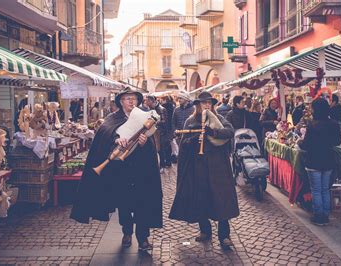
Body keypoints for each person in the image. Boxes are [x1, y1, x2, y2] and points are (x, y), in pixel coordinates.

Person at [70, 87, 162, 251]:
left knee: (142, 202)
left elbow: (153, 142)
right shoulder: (113, 118)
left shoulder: (144, 117)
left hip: (141, 168)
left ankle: (143, 238)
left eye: (134, 98)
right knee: (124, 203)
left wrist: (144, 142)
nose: (131, 101)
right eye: (127, 99)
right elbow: (105, 135)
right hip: (122, 169)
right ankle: (127, 232)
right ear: (121, 101)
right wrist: (116, 139)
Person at [169, 92, 239, 250]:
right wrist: (194, 139)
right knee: (200, 197)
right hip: (197, 167)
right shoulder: (190, 121)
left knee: (221, 199)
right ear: (198, 105)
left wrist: (212, 132)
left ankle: (224, 235)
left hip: (217, 167)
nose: (207, 106)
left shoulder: (218, 119)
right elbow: (183, 143)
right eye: (203, 103)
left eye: (209, 103)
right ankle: (205, 230)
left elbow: (229, 132)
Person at [299, 98, 341, 226]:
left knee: (316, 190)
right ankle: (326, 215)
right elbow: (337, 141)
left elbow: (306, 144)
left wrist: (300, 142)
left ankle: (319, 216)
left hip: (314, 161)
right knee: (325, 189)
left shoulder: (312, 125)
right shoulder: (334, 124)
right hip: (328, 160)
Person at [146, 95, 171, 169]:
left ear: (151, 101)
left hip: (161, 132)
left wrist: (154, 122)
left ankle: (163, 165)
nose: (146, 102)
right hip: (155, 132)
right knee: (158, 149)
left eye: (147, 101)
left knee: (162, 149)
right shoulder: (151, 108)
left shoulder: (161, 109)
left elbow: (164, 121)